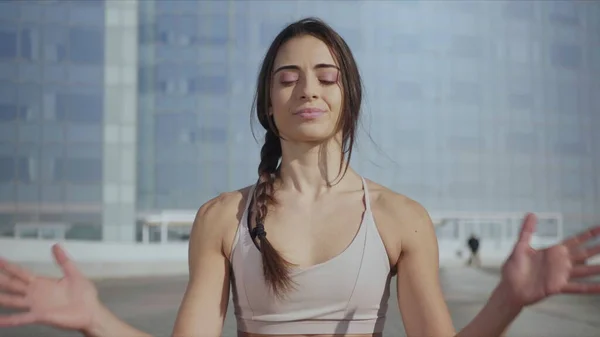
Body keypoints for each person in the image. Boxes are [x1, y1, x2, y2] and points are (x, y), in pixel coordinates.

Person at [1, 17, 600, 337]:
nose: (307, 88)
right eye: (287, 77)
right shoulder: (222, 219)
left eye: (325, 75)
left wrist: (509, 299)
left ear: (349, 95)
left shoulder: (399, 219)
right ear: (267, 103)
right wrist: (94, 319)